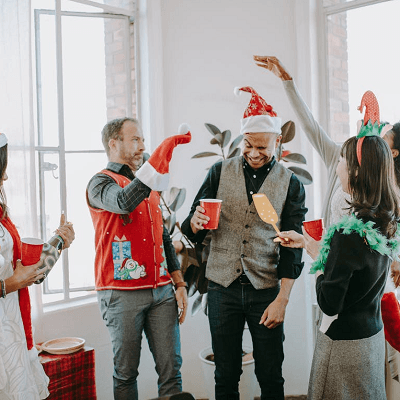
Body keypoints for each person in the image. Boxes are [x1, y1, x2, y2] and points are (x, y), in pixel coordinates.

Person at [255, 55, 400, 353]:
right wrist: (287, 82)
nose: (371, 141)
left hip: (360, 287)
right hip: (331, 270)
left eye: (381, 141)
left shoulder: (387, 193)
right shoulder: (340, 158)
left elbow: (386, 238)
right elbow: (309, 126)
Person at [181, 87, 307, 400]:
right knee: (225, 374)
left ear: (277, 141)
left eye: (262, 147)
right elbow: (192, 227)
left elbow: (293, 249)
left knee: (270, 374)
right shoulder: (218, 171)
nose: (253, 153)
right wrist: (195, 223)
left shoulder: (290, 183)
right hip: (222, 288)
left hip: (265, 289)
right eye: (248, 144)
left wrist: (283, 300)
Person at [276, 96, 400, 399]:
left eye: (342, 162)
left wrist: (319, 269)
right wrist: (309, 243)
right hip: (370, 336)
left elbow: (330, 303)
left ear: (356, 171)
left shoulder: (348, 234)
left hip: (344, 345)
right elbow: (355, 272)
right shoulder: (383, 220)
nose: (338, 167)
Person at [86, 117, 190, 400]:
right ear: (113, 144)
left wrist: (179, 283)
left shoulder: (149, 184)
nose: (143, 146)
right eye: (135, 140)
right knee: (126, 373)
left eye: (143, 140)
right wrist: (153, 168)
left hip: (162, 291)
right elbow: (122, 202)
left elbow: (164, 237)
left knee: (172, 371)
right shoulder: (100, 183)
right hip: (120, 293)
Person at [0, 132, 75, 399]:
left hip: (14, 332)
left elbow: (31, 273)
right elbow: (16, 279)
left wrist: (58, 241)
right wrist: (10, 284)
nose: (6, 178)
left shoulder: (2, 216)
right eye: (2, 170)